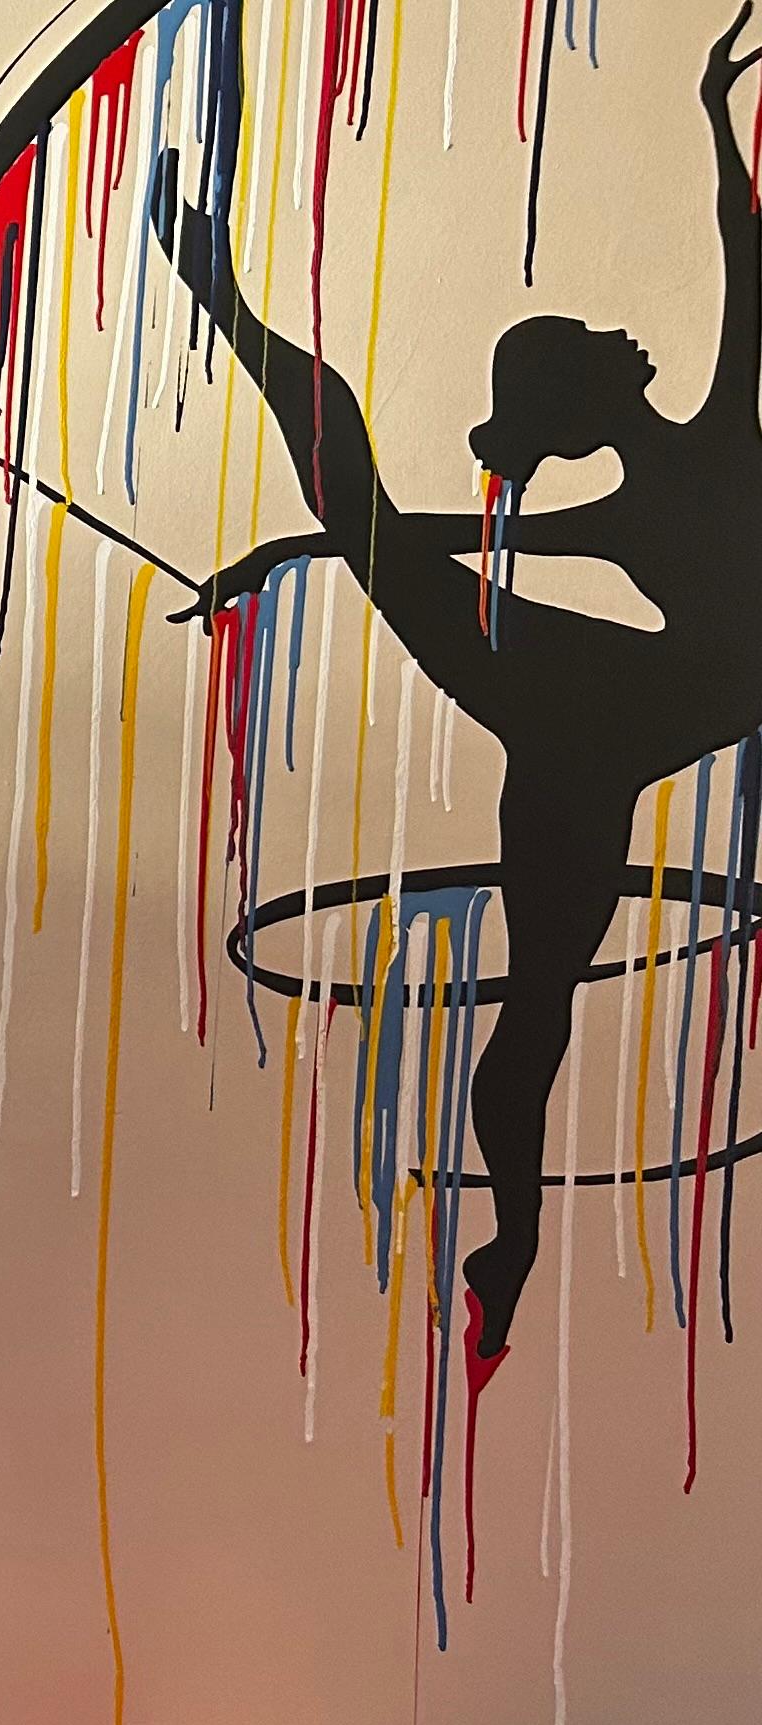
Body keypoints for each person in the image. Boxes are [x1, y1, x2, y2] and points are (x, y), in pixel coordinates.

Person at [141, 7, 762, 1378]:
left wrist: (720, 121)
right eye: (580, 340)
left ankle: (223, 297)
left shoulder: (683, 468)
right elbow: (424, 538)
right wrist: (294, 553)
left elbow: (746, 246)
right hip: (609, 715)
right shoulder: (668, 472)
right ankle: (507, 1255)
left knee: (363, 515)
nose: (610, 327)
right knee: (534, 1002)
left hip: (631, 698)